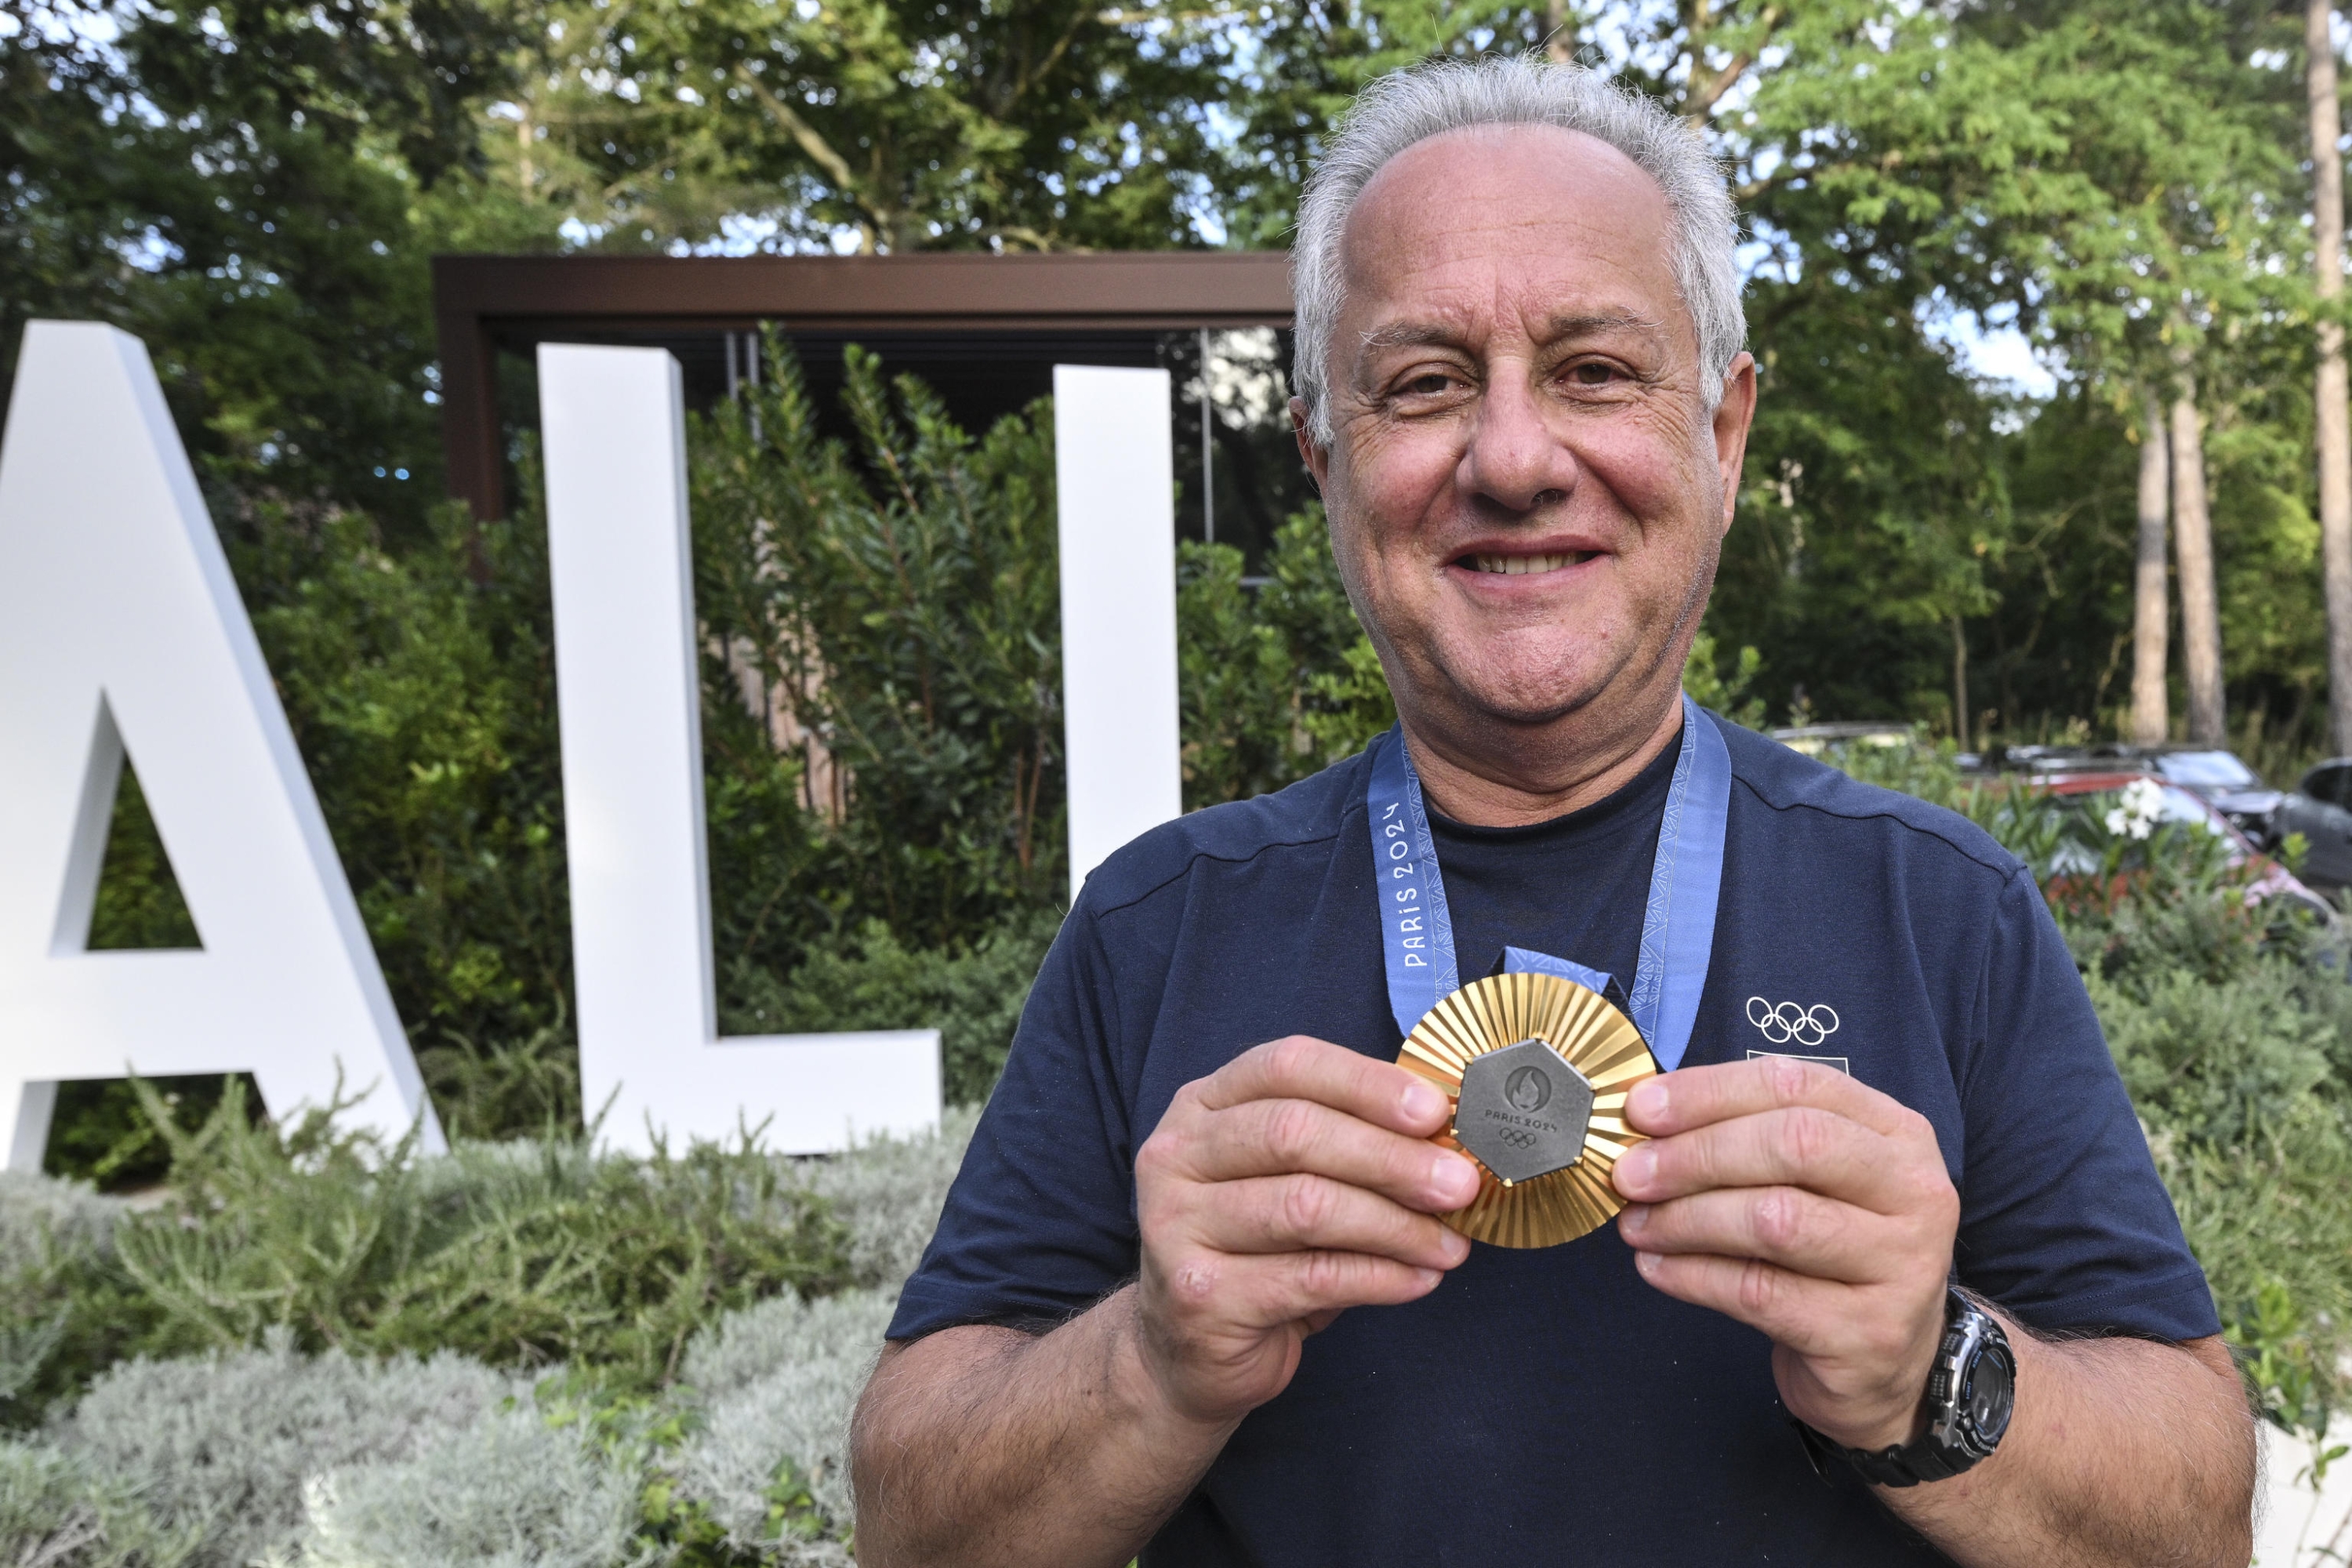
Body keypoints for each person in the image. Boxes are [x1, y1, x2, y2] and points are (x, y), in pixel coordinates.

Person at [849, 55, 2255, 1568]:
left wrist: (1937, 1378)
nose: (1514, 459)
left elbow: (2201, 1521)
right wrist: (1148, 1362)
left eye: (1595, 369)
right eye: (1425, 383)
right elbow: (911, 1524)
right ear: (1327, 460)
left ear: (1721, 434)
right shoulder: (1159, 925)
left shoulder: (1938, 908)